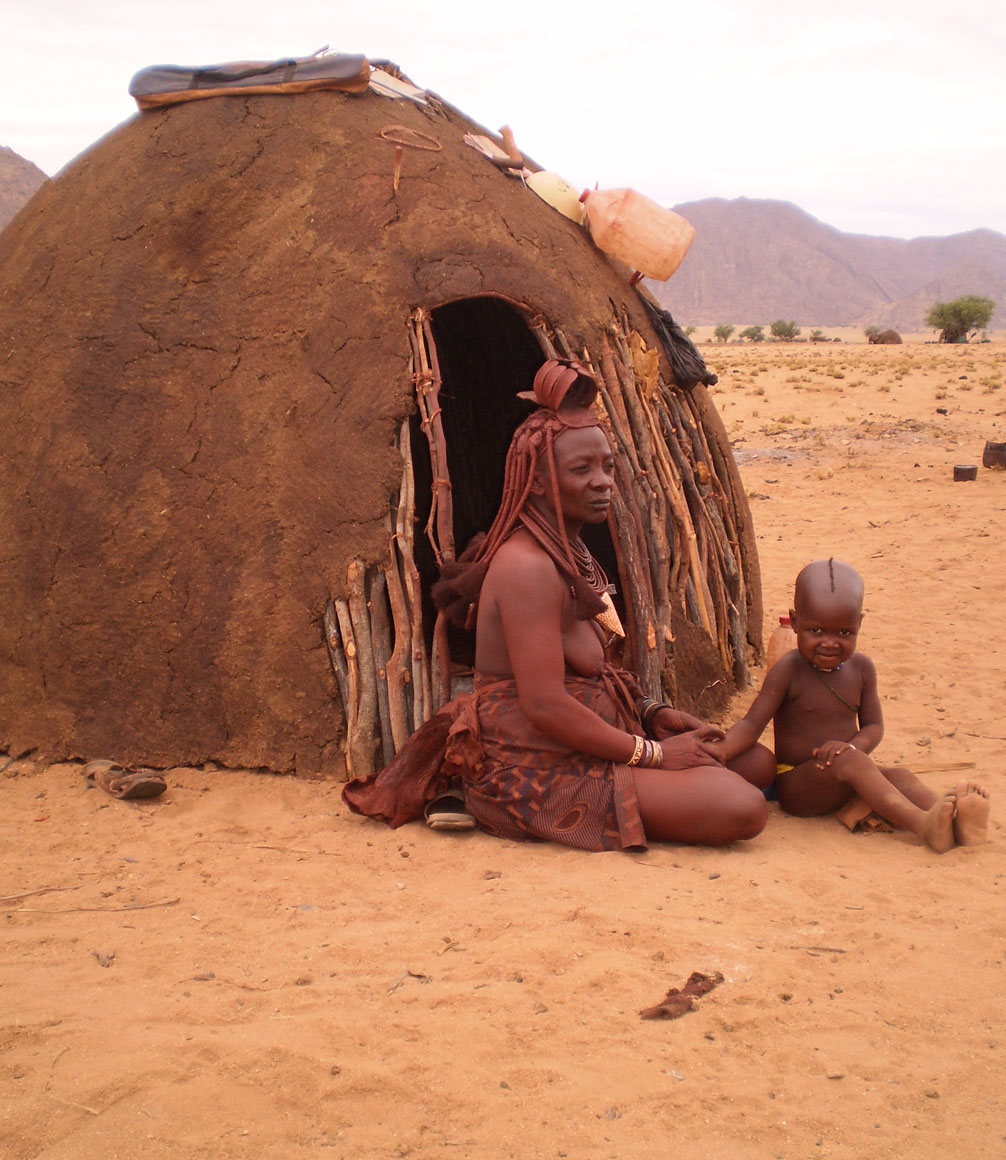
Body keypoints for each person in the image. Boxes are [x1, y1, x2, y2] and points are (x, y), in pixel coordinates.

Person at [416, 358, 770, 851]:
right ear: (537, 482)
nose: (603, 481)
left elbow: (585, 669)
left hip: (592, 740)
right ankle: (483, 801)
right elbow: (543, 703)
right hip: (538, 764)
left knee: (755, 763)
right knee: (743, 805)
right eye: (581, 469)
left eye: (607, 466)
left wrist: (650, 713)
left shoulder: (569, 552)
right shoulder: (528, 567)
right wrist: (654, 755)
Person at [706, 558, 990, 853]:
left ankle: (956, 821)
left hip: (845, 772)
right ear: (796, 621)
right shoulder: (788, 671)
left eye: (844, 633)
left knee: (899, 777)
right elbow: (752, 724)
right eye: (816, 631)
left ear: (859, 624)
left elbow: (873, 726)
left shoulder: (863, 669)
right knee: (855, 763)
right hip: (799, 784)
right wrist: (720, 751)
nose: (830, 642)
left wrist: (853, 747)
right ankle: (923, 824)